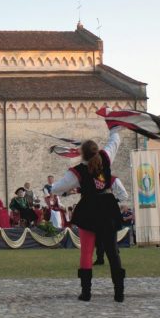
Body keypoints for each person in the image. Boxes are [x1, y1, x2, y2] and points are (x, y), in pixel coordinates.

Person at [50, 126, 127, 302]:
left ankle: (86, 293)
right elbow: (114, 141)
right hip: (107, 208)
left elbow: (59, 187)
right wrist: (114, 128)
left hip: (89, 209)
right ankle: (119, 293)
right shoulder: (106, 158)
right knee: (113, 252)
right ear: (96, 150)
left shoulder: (77, 171)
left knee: (86, 252)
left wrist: (52, 188)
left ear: (82, 154)